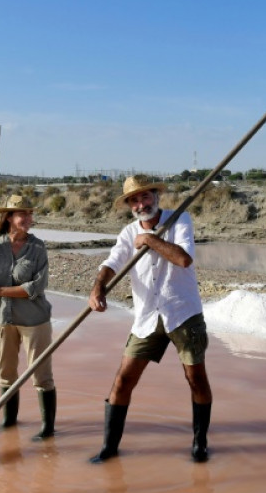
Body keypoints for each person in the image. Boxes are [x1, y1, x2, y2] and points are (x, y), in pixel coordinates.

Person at [88, 174, 213, 463]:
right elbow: (112, 263)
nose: (141, 203)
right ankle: (109, 447)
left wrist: (151, 241)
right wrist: (98, 289)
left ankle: (200, 442)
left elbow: (183, 259)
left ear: (156, 197)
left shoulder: (180, 219)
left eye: (145, 197)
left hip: (183, 313)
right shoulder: (128, 233)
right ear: (129, 205)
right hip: (146, 318)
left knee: (196, 379)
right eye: (134, 199)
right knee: (123, 381)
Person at [0, 194, 57, 442]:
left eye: (30, 213)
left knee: (41, 375)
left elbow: (36, 287)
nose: (28, 218)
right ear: (8, 217)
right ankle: (9, 422)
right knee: (6, 374)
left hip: (35, 320)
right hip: (0, 319)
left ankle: (48, 428)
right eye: (22, 214)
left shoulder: (37, 247)